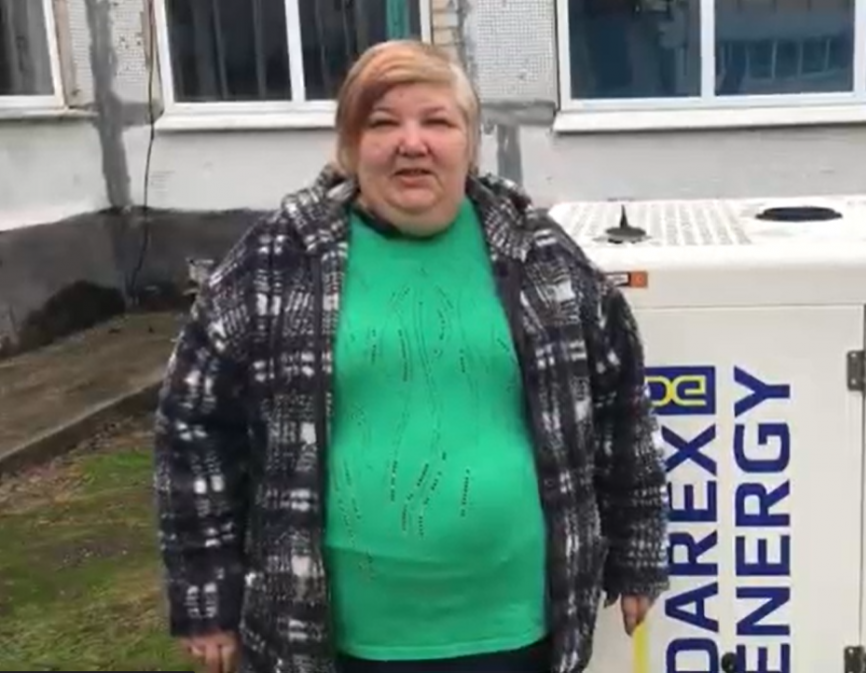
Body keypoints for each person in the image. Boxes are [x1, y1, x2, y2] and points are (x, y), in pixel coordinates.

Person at [153, 39, 669, 673]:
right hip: (334, 637)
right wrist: (207, 592)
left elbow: (621, 404)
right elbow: (193, 423)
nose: (412, 143)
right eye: (382, 122)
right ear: (350, 145)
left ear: (469, 143)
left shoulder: (540, 254)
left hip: (516, 629)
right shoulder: (277, 260)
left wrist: (637, 549)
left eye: (437, 121)